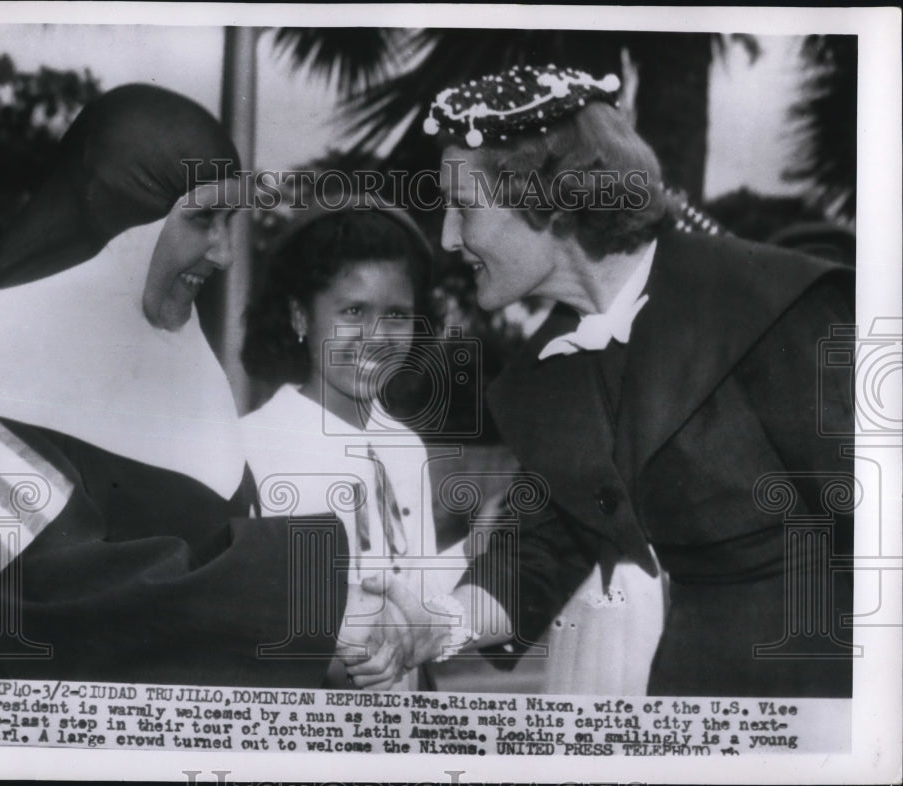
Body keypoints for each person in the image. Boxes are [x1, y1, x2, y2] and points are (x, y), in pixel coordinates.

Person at [355, 64, 854, 697]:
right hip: (690, 697)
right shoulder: (550, 374)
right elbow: (541, 552)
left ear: (548, 200)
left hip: (833, 693)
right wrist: (440, 626)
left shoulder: (769, 305)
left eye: (464, 209)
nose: (450, 238)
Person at [0, 84, 348, 687]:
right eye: (201, 219)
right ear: (122, 220)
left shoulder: (189, 366)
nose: (223, 253)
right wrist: (310, 587)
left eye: (229, 222)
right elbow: (62, 610)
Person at [241, 207, 466, 690]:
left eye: (397, 317)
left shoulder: (406, 448)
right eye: (353, 312)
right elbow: (259, 620)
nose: (375, 339)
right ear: (301, 315)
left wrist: (477, 546)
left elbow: (418, 591)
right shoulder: (252, 448)